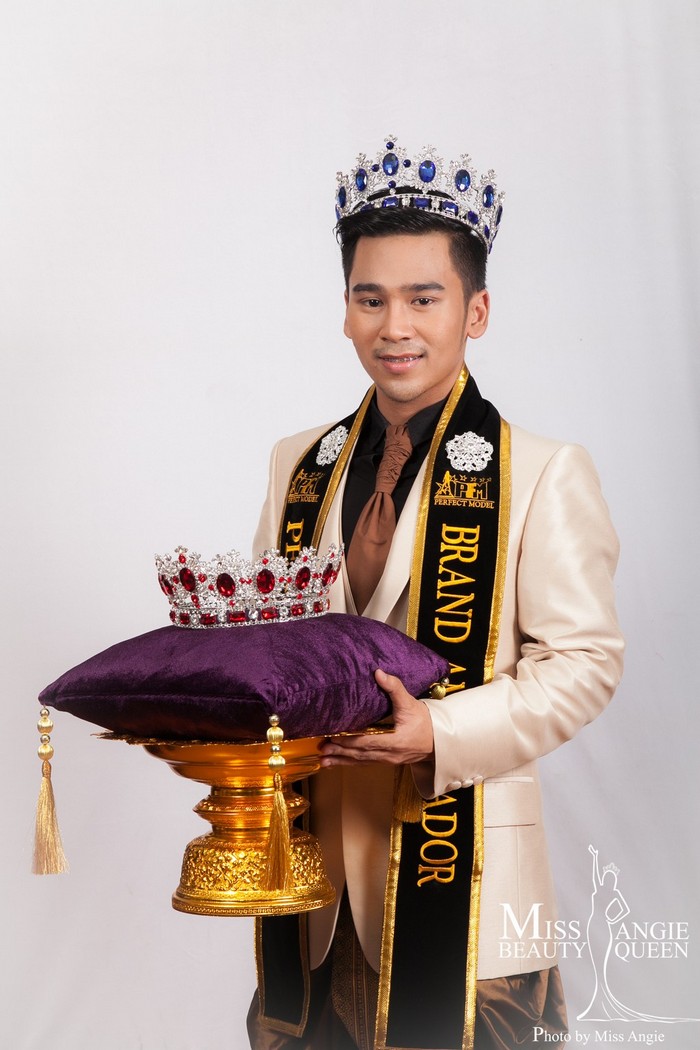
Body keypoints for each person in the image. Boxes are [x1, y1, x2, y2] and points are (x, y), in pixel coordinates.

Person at [247, 137, 624, 1050]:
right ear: (346, 310)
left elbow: (583, 665)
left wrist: (440, 734)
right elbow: (266, 643)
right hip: (311, 895)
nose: (395, 327)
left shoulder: (543, 472)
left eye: (424, 298)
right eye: (370, 298)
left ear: (475, 310)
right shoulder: (299, 465)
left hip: (468, 890)